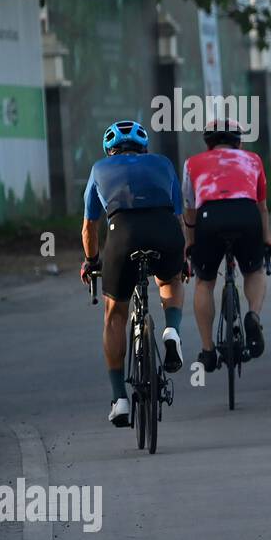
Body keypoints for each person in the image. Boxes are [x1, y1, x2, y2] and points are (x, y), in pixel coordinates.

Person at [80, 121, 187, 426]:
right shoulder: (163, 163)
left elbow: (90, 226)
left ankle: (120, 400)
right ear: (144, 147)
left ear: (109, 150)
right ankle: (171, 331)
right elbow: (178, 216)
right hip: (165, 230)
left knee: (115, 315)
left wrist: (91, 261)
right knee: (171, 280)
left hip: (122, 234)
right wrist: (182, 257)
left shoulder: (100, 168)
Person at [182, 118, 271, 373]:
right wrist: (265, 239)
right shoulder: (253, 160)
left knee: (204, 282)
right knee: (253, 271)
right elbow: (262, 206)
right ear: (238, 141)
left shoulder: (192, 163)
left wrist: (190, 242)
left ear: (208, 142)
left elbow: (189, 210)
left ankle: (208, 350)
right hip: (246, 215)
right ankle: (253, 315)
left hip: (209, 218)